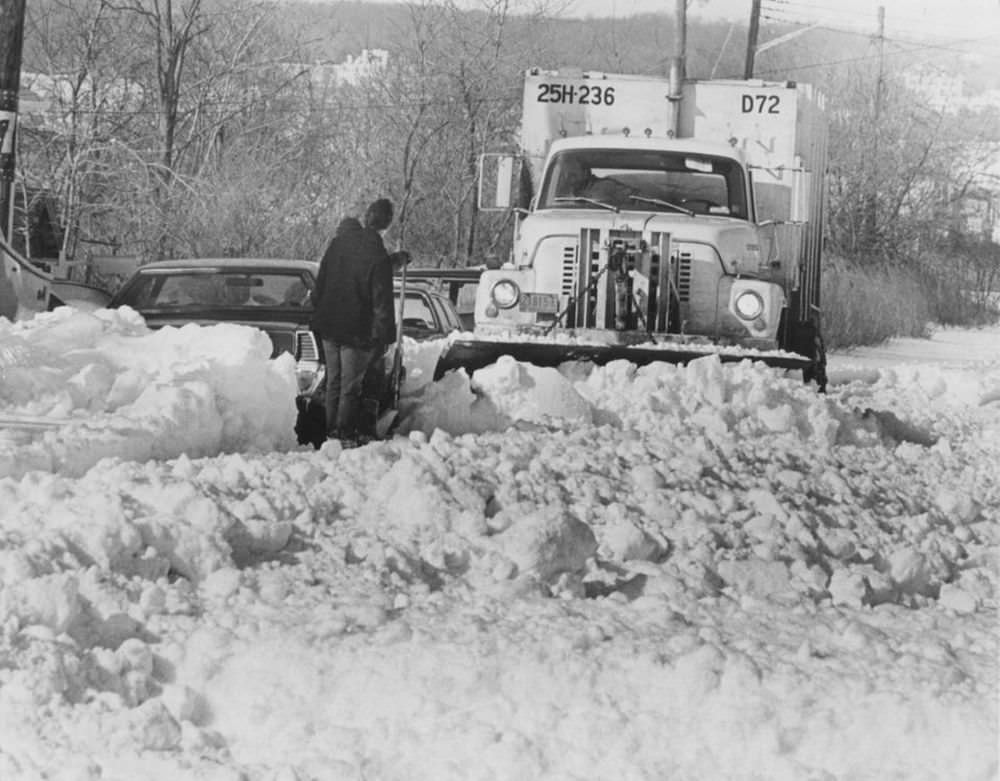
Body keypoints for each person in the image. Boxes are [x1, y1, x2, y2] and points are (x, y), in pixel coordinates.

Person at [311, 200, 399, 447]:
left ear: (366, 216)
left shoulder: (339, 244)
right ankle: (344, 434)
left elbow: (325, 282)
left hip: (329, 325)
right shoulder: (378, 254)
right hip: (356, 331)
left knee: (334, 382)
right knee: (351, 386)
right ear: (387, 223)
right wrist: (384, 337)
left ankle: (329, 434)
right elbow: (381, 301)